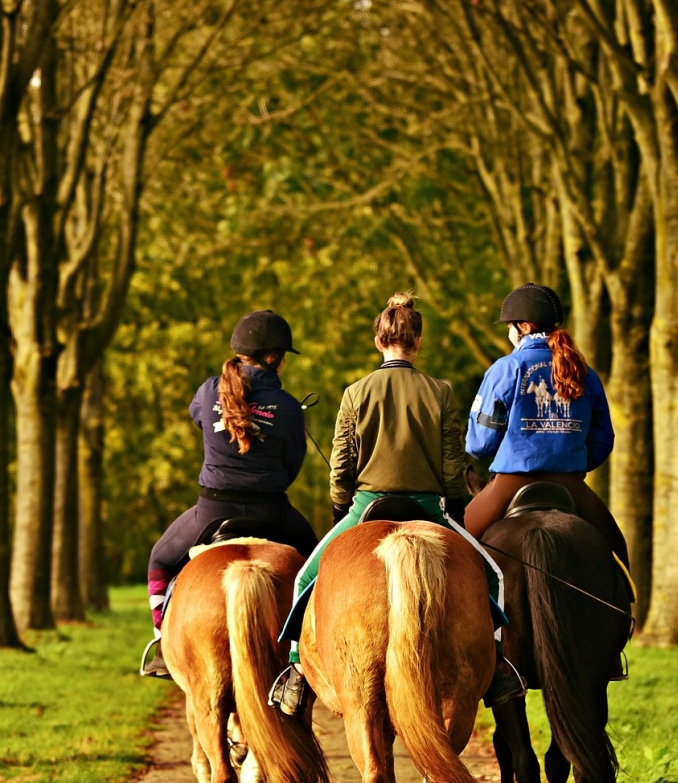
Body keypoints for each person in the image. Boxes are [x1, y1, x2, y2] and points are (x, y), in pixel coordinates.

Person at [273, 292, 524, 715]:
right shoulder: (440, 391)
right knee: (493, 575)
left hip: (367, 504)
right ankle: (497, 667)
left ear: (378, 341)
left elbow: (341, 463)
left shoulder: (355, 392)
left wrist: (341, 507)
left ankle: (297, 672)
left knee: (304, 579)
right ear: (418, 342)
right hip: (429, 506)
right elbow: (452, 462)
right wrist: (456, 507)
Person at [141, 310, 318, 677]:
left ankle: (162, 642)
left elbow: (198, 419)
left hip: (210, 510)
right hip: (273, 512)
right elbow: (292, 467)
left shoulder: (209, 391)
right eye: (284, 356)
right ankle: (310, 650)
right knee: (318, 567)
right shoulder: (286, 406)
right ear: (273, 359)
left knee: (160, 561)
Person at [465, 282, 629, 566]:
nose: (508, 333)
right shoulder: (585, 373)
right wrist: (570, 458)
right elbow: (603, 439)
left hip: (510, 483)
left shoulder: (506, 368)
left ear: (524, 327)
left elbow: (480, 444)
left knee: (453, 547)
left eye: (509, 326)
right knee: (618, 555)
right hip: (571, 483)